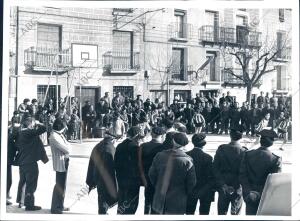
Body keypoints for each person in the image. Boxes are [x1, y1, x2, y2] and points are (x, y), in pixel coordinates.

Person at [149, 132, 196, 214]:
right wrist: (184, 193)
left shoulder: (159, 155)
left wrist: (158, 185)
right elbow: (191, 182)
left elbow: (151, 174)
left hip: (160, 197)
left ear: (173, 141)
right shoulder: (188, 160)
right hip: (178, 199)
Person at [240, 129, 282, 215]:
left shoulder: (248, 154)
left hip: (249, 195)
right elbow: (275, 181)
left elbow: (242, 175)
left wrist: (249, 192)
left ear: (260, 141)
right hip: (265, 196)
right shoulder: (275, 159)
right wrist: (259, 193)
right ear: (272, 143)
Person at [15, 117, 49, 211]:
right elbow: (43, 128)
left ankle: (21, 201)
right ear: (30, 123)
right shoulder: (28, 132)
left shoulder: (20, 132)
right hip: (30, 162)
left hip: (22, 161)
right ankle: (29, 205)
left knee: (22, 182)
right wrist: (38, 123)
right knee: (31, 184)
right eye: (33, 123)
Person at [213, 127, 247, 215]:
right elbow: (244, 172)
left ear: (230, 136)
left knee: (221, 213)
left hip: (223, 185)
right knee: (235, 214)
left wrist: (223, 185)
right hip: (237, 187)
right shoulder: (244, 152)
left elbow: (215, 168)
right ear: (241, 137)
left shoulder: (221, 149)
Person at [86, 132, 118, 214]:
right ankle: (103, 213)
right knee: (106, 196)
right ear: (113, 139)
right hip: (107, 178)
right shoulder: (110, 148)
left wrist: (91, 179)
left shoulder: (97, 146)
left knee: (101, 196)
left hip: (97, 176)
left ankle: (102, 211)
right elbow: (112, 167)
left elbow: (91, 163)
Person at [114, 126, 143, 214]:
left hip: (121, 179)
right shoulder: (136, 148)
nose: (141, 139)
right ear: (136, 136)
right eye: (140, 137)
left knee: (122, 200)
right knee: (131, 204)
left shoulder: (119, 146)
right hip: (133, 181)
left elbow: (115, 163)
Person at [186, 133, 215, 215]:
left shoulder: (187, 155)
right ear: (204, 144)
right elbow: (210, 175)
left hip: (190, 189)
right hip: (205, 190)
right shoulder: (208, 157)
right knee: (204, 213)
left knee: (189, 213)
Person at [139, 126, 166, 214]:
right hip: (159, 178)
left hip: (146, 176)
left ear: (151, 134)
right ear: (162, 135)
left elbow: (139, 163)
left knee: (148, 200)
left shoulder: (143, 146)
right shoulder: (164, 148)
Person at [49, 119, 71, 214]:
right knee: (59, 185)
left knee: (63, 185)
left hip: (64, 161)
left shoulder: (59, 135)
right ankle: (55, 207)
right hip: (60, 162)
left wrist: (68, 147)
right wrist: (68, 148)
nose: (65, 128)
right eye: (64, 126)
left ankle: (60, 205)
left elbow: (68, 146)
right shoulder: (54, 136)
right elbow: (67, 149)